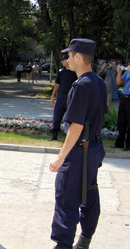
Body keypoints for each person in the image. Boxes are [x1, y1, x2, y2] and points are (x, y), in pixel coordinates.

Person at [49, 38, 107, 249]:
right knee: (89, 192)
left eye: (70, 55)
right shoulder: (98, 82)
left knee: (67, 197)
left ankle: (63, 245)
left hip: (79, 150)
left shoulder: (81, 85)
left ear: (79, 57)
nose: (67, 59)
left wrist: (61, 156)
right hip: (94, 148)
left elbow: (76, 126)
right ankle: (84, 241)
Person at [48, 54, 78, 141]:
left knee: (71, 118)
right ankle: (54, 135)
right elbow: (57, 85)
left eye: (63, 60)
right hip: (61, 98)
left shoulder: (75, 72)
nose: (62, 61)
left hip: (71, 99)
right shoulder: (61, 72)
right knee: (57, 117)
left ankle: (70, 137)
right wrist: (52, 96)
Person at [112, 65, 130, 151]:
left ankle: (129, 145)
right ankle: (119, 143)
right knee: (121, 121)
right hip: (124, 97)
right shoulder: (127, 71)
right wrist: (119, 73)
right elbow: (119, 82)